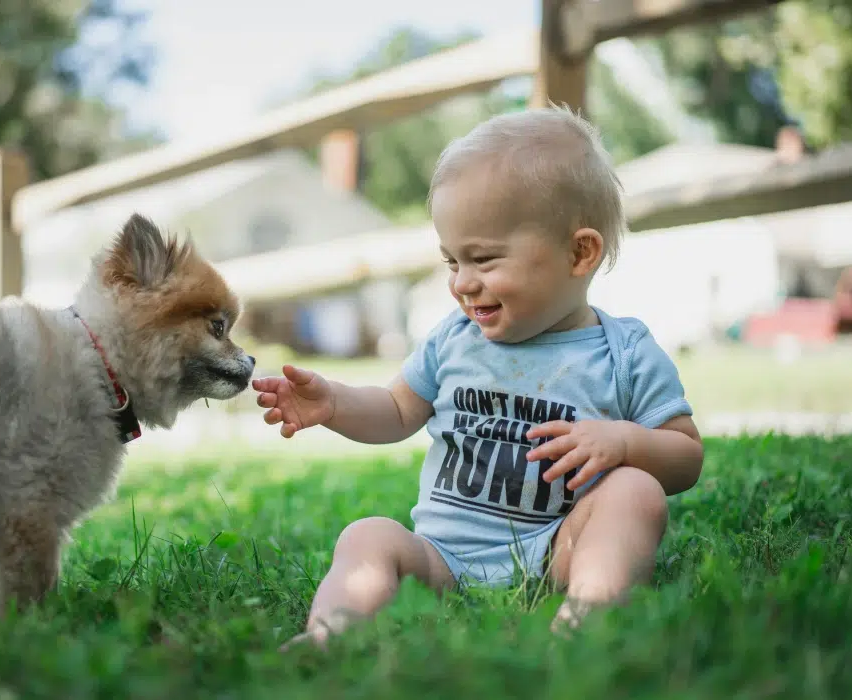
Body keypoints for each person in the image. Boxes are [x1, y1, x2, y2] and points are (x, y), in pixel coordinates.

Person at [252, 106, 705, 649]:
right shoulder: (453, 339)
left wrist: (625, 442)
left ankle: (589, 613)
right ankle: (331, 635)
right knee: (367, 534)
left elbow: (685, 457)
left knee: (636, 491)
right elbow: (397, 411)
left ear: (578, 252)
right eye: (451, 262)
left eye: (485, 260)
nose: (463, 284)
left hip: (557, 551)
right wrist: (335, 404)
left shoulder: (624, 352)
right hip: (441, 558)